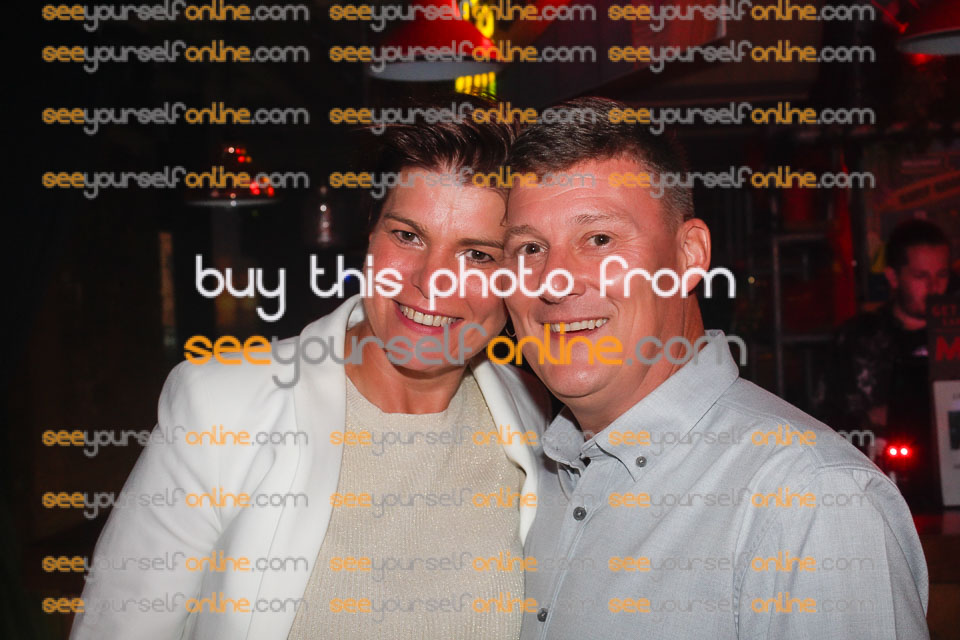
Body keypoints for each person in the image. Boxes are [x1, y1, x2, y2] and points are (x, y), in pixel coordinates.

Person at [71, 100, 551, 640]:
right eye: (407, 235)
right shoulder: (221, 406)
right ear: (370, 235)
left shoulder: (538, 418)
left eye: (478, 255)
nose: (430, 280)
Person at [501, 97, 929, 639]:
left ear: (689, 254)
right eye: (529, 248)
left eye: (600, 239)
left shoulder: (811, 499)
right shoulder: (535, 473)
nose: (554, 280)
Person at [815, 220, 950, 506]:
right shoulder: (858, 337)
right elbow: (825, 422)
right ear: (893, 277)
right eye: (921, 276)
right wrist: (870, 419)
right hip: (882, 488)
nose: (934, 287)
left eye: (942, 275)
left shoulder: (955, 334)